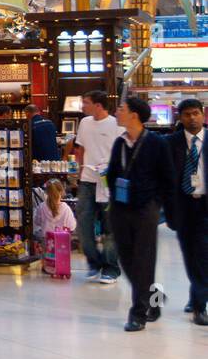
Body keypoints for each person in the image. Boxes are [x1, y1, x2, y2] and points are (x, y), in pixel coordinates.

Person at [105, 96, 175, 332]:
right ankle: (154, 300)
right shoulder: (120, 143)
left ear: (134, 114)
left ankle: (138, 313)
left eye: (121, 109)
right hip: (120, 208)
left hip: (146, 209)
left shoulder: (156, 143)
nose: (117, 112)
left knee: (143, 259)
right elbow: (113, 173)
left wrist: (158, 204)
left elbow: (168, 177)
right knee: (126, 260)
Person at [68, 89, 123, 283]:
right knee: (83, 223)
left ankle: (111, 267)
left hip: (108, 182)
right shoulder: (84, 123)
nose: (83, 106)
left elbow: (122, 151)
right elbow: (80, 148)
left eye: (86, 103)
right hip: (88, 180)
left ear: (98, 105)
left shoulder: (116, 124)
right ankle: (94, 262)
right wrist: (80, 170)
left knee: (110, 225)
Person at [164, 98, 208, 325]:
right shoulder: (170, 143)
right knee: (191, 254)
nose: (192, 118)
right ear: (180, 117)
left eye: (196, 113)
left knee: (202, 254)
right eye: (187, 114)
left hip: (205, 207)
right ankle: (196, 294)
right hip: (182, 207)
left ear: (203, 114)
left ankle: (200, 306)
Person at [34, 178, 77, 246]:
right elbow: (72, 227)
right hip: (62, 244)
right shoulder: (66, 208)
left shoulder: (41, 207)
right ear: (61, 191)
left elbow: (37, 222)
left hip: (46, 243)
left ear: (46, 192)